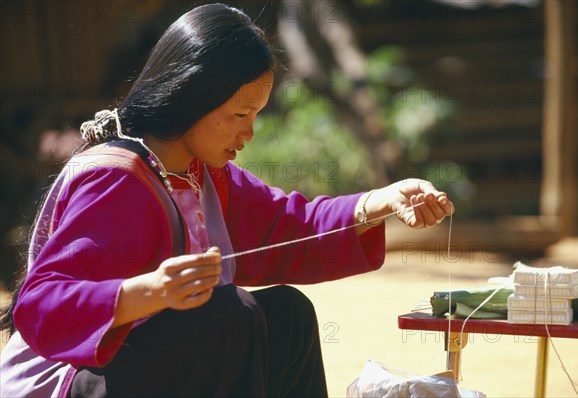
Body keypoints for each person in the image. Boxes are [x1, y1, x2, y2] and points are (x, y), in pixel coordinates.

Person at [0, 3, 453, 397]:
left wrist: (381, 201)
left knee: (288, 316)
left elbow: (287, 226)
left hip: (147, 369)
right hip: (72, 381)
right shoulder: (116, 179)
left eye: (256, 115)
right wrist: (149, 293)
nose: (249, 132)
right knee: (227, 316)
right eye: (239, 114)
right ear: (192, 94)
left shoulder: (205, 176)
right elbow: (41, 304)